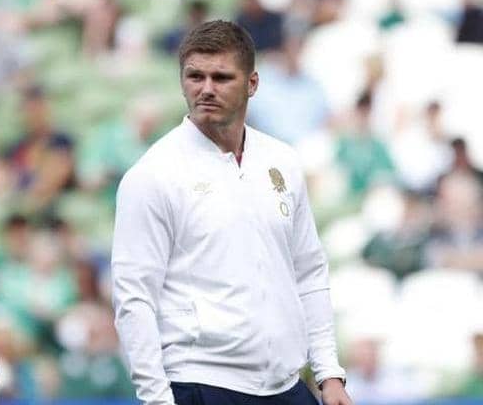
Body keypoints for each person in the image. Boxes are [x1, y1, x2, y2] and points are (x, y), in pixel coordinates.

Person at [111, 20, 352, 405]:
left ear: (252, 84)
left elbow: (309, 270)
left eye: (221, 77)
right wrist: (157, 399)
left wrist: (329, 374)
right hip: (201, 383)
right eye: (195, 76)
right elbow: (134, 298)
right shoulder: (152, 175)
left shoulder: (283, 161)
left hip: (287, 386)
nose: (206, 89)